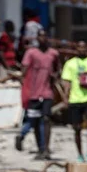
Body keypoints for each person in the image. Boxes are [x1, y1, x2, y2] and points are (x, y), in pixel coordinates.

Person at [15, 29, 59, 159]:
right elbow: (23, 71)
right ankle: (40, 148)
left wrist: (54, 76)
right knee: (34, 121)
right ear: (37, 38)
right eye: (40, 36)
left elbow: (58, 69)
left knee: (46, 119)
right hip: (33, 93)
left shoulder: (53, 54)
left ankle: (46, 149)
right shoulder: (31, 53)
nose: (43, 39)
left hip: (47, 92)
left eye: (45, 36)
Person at [61, 41, 87, 163]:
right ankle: (80, 154)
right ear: (76, 49)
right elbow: (67, 81)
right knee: (77, 128)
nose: (82, 50)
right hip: (75, 99)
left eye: (84, 47)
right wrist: (65, 97)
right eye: (79, 47)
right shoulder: (70, 63)